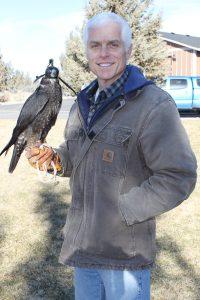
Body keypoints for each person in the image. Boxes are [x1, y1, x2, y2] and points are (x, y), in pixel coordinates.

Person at [26, 12, 197, 300]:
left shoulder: (153, 105)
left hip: (123, 256)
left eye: (113, 45)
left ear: (128, 50)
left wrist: (123, 212)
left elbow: (179, 175)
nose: (103, 53)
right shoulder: (83, 102)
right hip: (83, 250)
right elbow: (77, 153)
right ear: (87, 52)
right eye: (95, 45)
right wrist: (54, 159)